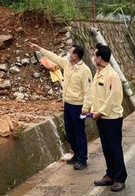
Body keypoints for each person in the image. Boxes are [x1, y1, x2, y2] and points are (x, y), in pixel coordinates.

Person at [30, 42, 92, 170]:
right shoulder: (67, 64)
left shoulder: (85, 70)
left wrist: (86, 108)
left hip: (78, 106)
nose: (68, 53)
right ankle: (76, 153)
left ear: (75, 56)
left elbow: (88, 90)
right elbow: (54, 57)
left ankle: (83, 158)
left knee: (79, 131)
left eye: (71, 52)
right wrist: (40, 48)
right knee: (69, 130)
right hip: (68, 104)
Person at [88, 43, 127, 192]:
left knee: (114, 147)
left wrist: (100, 112)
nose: (93, 57)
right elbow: (95, 95)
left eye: (94, 54)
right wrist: (93, 110)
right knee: (106, 148)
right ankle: (110, 174)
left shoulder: (112, 75)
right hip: (101, 117)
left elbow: (113, 97)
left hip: (111, 117)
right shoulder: (98, 73)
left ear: (100, 58)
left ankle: (120, 178)